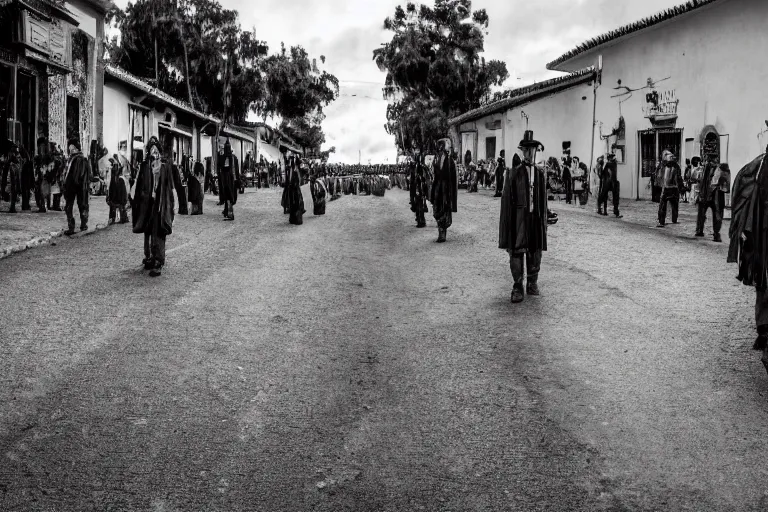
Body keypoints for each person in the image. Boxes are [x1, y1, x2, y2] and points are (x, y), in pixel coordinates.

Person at [727, 149, 768, 369]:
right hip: (761, 237)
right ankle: (763, 331)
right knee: (763, 283)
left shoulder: (756, 167)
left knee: (763, 284)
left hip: (760, 238)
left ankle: (763, 330)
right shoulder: (758, 168)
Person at [499, 130, 547, 303]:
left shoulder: (541, 174)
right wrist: (508, 224)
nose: (530, 153)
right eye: (527, 150)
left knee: (535, 250)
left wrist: (545, 217)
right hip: (519, 219)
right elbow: (507, 202)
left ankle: (532, 283)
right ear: (523, 151)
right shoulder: (513, 173)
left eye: (533, 149)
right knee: (517, 251)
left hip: (535, 219)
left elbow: (543, 200)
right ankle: (517, 286)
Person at [132, 136, 175, 277]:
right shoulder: (145, 166)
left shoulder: (164, 166)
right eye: (152, 150)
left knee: (159, 232)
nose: (154, 152)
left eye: (156, 149)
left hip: (160, 205)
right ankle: (150, 256)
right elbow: (139, 185)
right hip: (147, 204)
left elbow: (169, 186)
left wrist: (171, 204)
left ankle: (158, 261)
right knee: (148, 230)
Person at [430, 138, 458, 243]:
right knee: (437, 209)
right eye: (447, 144)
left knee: (444, 209)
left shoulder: (449, 160)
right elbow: (434, 174)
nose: (448, 146)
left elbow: (451, 177)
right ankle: (440, 231)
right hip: (438, 187)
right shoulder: (436, 158)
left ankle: (442, 234)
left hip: (445, 188)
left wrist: (450, 191)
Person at [62, 138, 90, 235]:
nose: (70, 148)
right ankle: (78, 225)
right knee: (75, 206)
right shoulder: (73, 158)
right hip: (76, 186)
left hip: (76, 186)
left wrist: (70, 184)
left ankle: (80, 225)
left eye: (71, 146)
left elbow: (78, 175)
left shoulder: (79, 159)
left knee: (78, 205)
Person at [694, 157, 724, 241]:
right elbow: (700, 180)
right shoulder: (704, 169)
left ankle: (715, 233)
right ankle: (701, 230)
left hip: (714, 194)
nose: (708, 162)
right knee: (703, 213)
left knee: (716, 214)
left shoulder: (718, 170)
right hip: (706, 194)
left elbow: (715, 183)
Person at [657, 150, 683, 227]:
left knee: (673, 204)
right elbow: (658, 175)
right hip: (667, 187)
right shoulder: (662, 165)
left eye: (672, 156)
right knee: (663, 205)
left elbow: (679, 177)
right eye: (670, 156)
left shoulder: (675, 166)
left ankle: (673, 219)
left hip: (673, 188)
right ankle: (662, 221)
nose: (672, 157)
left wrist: (679, 186)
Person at [106, 155, 129, 224]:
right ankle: (120, 218)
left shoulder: (117, 176)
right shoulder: (119, 178)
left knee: (116, 203)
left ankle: (115, 218)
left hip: (115, 187)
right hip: (115, 186)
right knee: (117, 203)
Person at [218, 139, 237, 221]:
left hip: (227, 180)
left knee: (228, 196)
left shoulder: (225, 158)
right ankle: (227, 211)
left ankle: (230, 213)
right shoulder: (233, 158)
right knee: (229, 196)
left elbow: (221, 167)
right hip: (231, 180)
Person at [34, 137, 53, 213]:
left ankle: (43, 206)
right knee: (41, 191)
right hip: (42, 175)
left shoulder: (46, 156)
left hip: (44, 175)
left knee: (43, 191)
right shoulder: (40, 156)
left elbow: (50, 165)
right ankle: (43, 206)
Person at [1, 140, 20, 213]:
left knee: (13, 191)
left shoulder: (15, 155)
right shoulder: (9, 154)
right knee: (11, 191)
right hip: (10, 175)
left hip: (13, 175)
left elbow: (16, 163)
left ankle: (12, 207)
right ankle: (12, 207)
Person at [286, 156, 305, 225]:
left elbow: (298, 179)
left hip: (295, 189)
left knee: (296, 204)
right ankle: (295, 219)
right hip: (294, 189)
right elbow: (291, 180)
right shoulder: (294, 169)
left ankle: (295, 219)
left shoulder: (296, 169)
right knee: (295, 203)